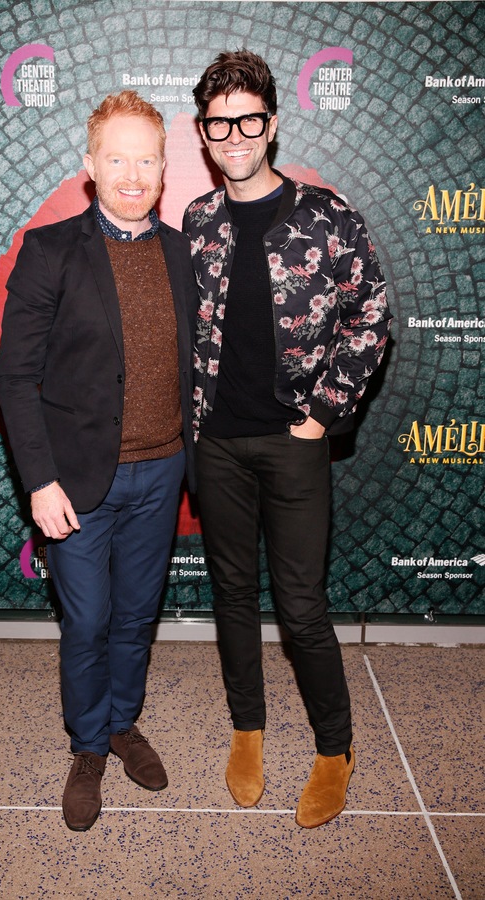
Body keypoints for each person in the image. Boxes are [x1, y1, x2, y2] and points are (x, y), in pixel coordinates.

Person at [183, 50, 392, 828]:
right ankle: (247, 730)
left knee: (301, 607)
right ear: (204, 134)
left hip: (294, 441)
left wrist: (322, 413)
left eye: (247, 119)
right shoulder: (198, 223)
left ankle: (334, 749)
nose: (233, 135)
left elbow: (372, 312)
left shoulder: (327, 215)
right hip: (217, 444)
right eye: (218, 123)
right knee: (233, 597)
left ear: (271, 123)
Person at [0, 90, 198, 832]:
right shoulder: (50, 252)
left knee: (136, 616)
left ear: (163, 168)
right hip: (77, 483)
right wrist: (39, 482)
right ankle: (87, 745)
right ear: (90, 167)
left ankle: (121, 723)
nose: (132, 173)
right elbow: (15, 379)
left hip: (163, 472)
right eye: (116, 157)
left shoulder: (182, 252)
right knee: (87, 622)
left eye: (146, 158)